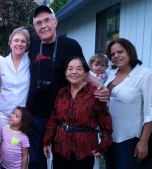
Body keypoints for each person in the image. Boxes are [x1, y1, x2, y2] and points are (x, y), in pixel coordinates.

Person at [27, 5, 110, 169]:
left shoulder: (70, 45)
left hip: (61, 114)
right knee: (36, 158)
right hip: (35, 113)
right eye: (38, 23)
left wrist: (102, 87)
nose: (43, 26)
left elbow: (83, 71)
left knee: (61, 158)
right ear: (35, 28)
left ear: (55, 22)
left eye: (47, 21)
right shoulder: (34, 46)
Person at [42, 56, 112, 169]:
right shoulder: (62, 92)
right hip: (61, 147)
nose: (74, 72)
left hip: (85, 148)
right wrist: (46, 141)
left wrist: (103, 145)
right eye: (70, 69)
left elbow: (105, 121)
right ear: (65, 73)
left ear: (85, 73)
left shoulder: (95, 93)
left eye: (79, 69)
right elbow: (54, 119)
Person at [104, 38, 152, 169]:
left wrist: (143, 141)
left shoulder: (145, 74)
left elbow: (150, 112)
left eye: (120, 52)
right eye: (112, 54)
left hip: (130, 139)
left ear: (129, 52)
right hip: (109, 137)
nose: (116, 56)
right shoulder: (111, 73)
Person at [0, 27, 30, 142]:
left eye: (23, 41)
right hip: (3, 113)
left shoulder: (30, 62)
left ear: (26, 45)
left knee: (20, 146)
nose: (19, 44)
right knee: (4, 144)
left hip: (22, 115)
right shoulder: (2, 63)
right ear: (10, 43)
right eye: (16, 40)